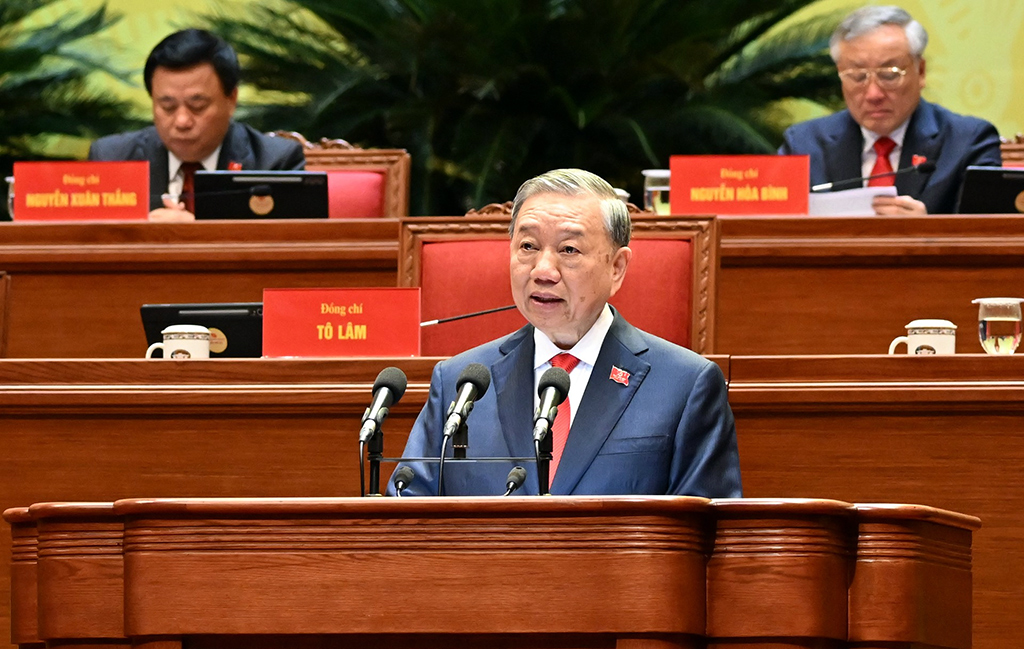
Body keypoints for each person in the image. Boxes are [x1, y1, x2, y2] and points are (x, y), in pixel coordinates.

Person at [388, 169, 741, 497]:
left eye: (569, 250)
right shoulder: (460, 382)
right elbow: (405, 514)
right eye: (528, 247)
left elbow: (703, 530)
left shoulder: (685, 385)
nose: (543, 271)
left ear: (617, 268)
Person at [779, 5, 1001, 215]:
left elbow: (987, 234)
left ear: (921, 71)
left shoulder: (968, 142)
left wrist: (928, 231)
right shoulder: (803, 145)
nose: (873, 94)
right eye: (857, 76)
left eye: (889, 75)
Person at [88, 29, 305, 221]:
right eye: (168, 107)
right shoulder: (112, 160)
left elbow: (287, 246)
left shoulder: (274, 163)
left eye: (197, 106)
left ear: (231, 99)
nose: (182, 121)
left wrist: (195, 233)